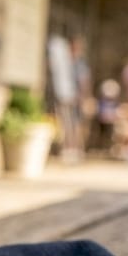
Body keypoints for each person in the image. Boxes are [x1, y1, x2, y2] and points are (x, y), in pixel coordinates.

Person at [47, 33, 81, 163]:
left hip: (68, 94)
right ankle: (66, 148)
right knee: (66, 122)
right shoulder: (63, 58)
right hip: (64, 94)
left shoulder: (72, 62)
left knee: (71, 123)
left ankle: (71, 148)